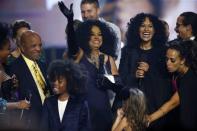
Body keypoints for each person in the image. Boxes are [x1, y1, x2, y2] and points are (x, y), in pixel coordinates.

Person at [119, 13, 173, 130]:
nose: (146, 29)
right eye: (142, 26)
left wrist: (150, 71)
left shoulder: (164, 52)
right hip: (133, 109)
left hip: (157, 110)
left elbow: (168, 83)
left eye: (150, 26)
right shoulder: (127, 51)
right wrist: (134, 76)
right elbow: (121, 79)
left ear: (156, 30)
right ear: (136, 29)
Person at [149, 40, 197, 131]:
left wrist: (149, 118)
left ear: (182, 60)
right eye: (167, 59)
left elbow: (172, 103)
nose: (168, 63)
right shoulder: (175, 74)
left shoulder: (191, 79)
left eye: (172, 60)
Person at [9, 30, 52, 130]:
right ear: (22, 48)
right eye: (33, 46)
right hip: (30, 124)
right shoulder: (13, 69)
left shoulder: (44, 66)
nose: (38, 49)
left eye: (40, 45)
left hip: (49, 121)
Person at [58, 0, 121, 66]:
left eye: (89, 11)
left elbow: (115, 58)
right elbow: (73, 52)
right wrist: (70, 19)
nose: (86, 15)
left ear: (98, 11)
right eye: (83, 12)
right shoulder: (80, 30)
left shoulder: (111, 29)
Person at [40, 59, 90, 131]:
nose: (55, 83)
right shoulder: (48, 103)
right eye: (54, 80)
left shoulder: (80, 104)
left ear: (69, 81)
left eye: (60, 81)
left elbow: (85, 128)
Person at [0, 21, 30, 129]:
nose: (9, 52)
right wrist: (17, 104)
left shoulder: (6, 67)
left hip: (12, 119)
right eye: (7, 49)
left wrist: (14, 86)